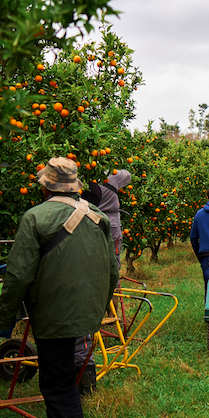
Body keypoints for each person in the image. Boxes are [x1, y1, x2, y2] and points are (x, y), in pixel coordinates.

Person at [0, 157, 118, 418]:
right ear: (75, 186)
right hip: (88, 315)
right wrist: (95, 306)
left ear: (44, 185)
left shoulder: (34, 218)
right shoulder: (98, 217)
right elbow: (113, 272)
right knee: (66, 379)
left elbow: (17, 277)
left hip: (55, 317)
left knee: (57, 386)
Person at [77, 169, 133, 395]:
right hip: (111, 222)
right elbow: (128, 175)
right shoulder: (112, 178)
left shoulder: (81, 180)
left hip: (86, 220)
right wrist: (114, 171)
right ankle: (109, 300)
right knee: (113, 264)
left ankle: (101, 300)